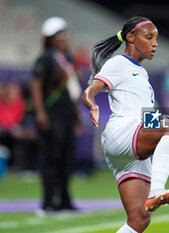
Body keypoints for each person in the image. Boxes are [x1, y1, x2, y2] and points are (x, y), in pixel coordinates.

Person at [81, 17, 169, 233]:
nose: (155, 43)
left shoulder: (141, 73)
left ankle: (155, 192)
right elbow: (90, 89)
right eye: (149, 37)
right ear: (130, 37)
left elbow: (143, 112)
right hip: (123, 132)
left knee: (139, 220)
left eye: (156, 39)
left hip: (129, 150)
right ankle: (157, 190)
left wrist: (167, 136)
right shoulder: (118, 63)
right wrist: (92, 104)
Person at [31, 17, 81, 213]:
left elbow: (72, 89)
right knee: (50, 157)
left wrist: (77, 116)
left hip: (68, 114)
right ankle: (48, 201)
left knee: (67, 158)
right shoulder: (44, 59)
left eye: (65, 34)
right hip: (51, 114)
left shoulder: (68, 58)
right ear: (50, 39)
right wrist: (40, 113)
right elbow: (36, 86)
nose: (64, 38)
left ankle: (65, 200)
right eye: (59, 35)